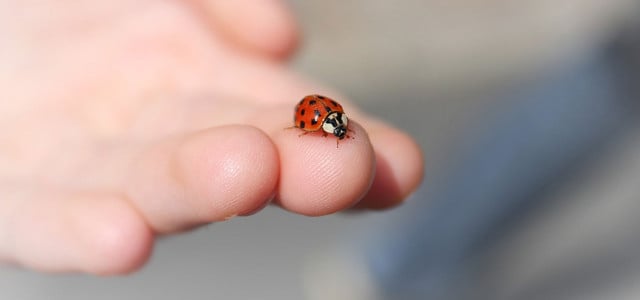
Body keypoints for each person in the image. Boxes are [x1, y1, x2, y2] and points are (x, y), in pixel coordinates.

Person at [0, 1, 424, 275]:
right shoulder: (320, 118)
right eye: (331, 127)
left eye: (331, 127)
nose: (334, 129)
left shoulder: (326, 119)